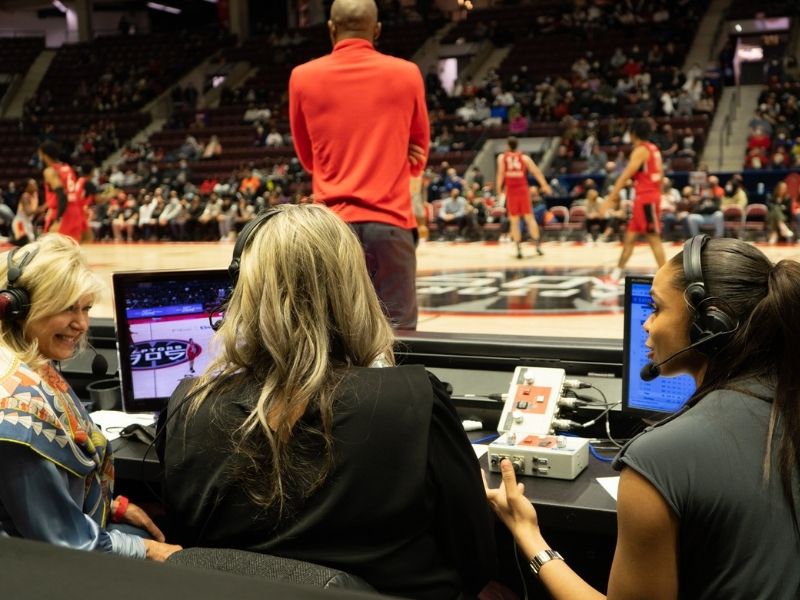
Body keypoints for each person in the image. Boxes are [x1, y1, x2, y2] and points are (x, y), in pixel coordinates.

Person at [158, 205, 497, 600]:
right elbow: (476, 563)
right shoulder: (417, 400)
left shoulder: (187, 406)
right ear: (355, 287)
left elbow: (187, 547)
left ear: (239, 295)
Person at [486, 235, 800, 598]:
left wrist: (528, 534)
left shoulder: (657, 459)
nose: (646, 324)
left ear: (710, 325)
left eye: (656, 308)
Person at [0, 234, 181, 561]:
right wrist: (150, 550)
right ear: (19, 307)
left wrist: (111, 505)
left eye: (85, 308)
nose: (81, 324)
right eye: (67, 308)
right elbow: (67, 544)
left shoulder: (28, 362)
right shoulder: (16, 410)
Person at [289, 0, 430, 330]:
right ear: (377, 30)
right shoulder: (407, 73)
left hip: (331, 228)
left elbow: (308, 159)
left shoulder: (302, 77)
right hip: (391, 223)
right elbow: (419, 151)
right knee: (400, 337)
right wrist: (391, 165)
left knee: (333, 337)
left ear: (331, 29)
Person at [602, 119, 667, 282]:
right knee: (629, 239)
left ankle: (667, 278)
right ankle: (616, 273)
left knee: (653, 239)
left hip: (646, 199)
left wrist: (610, 199)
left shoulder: (640, 150)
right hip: (645, 198)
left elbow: (625, 175)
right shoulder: (654, 149)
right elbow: (660, 175)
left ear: (633, 134)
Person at [496, 137, 552, 258]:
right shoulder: (524, 157)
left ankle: (518, 248)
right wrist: (545, 185)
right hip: (523, 189)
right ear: (517, 146)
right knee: (529, 218)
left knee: (514, 221)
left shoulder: (502, 157)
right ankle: (537, 245)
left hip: (511, 190)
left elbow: (500, 174)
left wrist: (499, 190)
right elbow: (536, 171)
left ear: (507, 145)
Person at [38, 141, 84, 242]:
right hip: (75, 211)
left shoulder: (49, 171)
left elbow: (61, 195)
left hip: (61, 211)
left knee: (48, 247)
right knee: (71, 249)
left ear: (43, 154)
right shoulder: (67, 167)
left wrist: (58, 218)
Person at [11, 179, 38, 246]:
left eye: (35, 183)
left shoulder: (35, 195)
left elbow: (33, 213)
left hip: (27, 222)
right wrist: (45, 206)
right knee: (24, 246)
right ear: (27, 187)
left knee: (31, 244)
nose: (35, 186)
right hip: (20, 223)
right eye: (32, 185)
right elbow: (28, 212)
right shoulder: (25, 196)